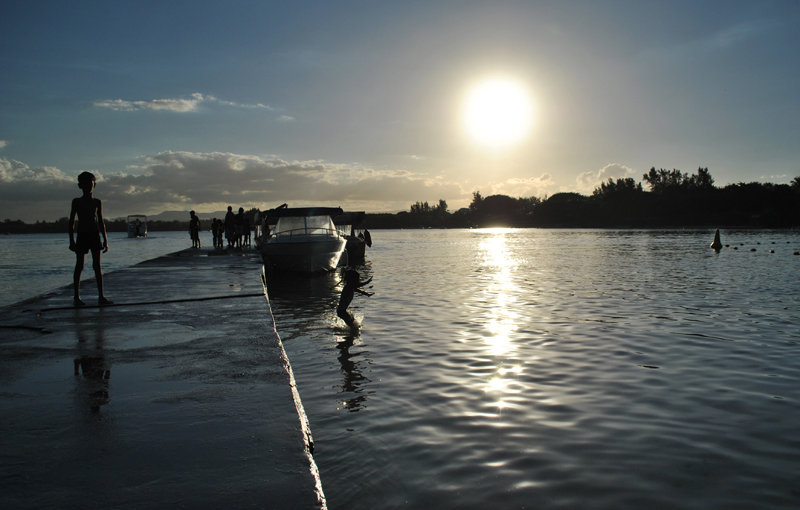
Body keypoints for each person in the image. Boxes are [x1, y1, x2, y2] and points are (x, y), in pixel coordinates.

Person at [69, 171, 112, 306]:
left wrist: (105, 239)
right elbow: (71, 222)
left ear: (95, 185)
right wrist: (71, 241)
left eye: (90, 184)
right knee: (79, 266)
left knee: (97, 266)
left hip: (94, 235)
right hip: (82, 235)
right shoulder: (77, 202)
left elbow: (100, 222)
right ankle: (76, 297)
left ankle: (101, 296)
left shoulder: (97, 202)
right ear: (80, 186)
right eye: (85, 184)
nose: (88, 186)